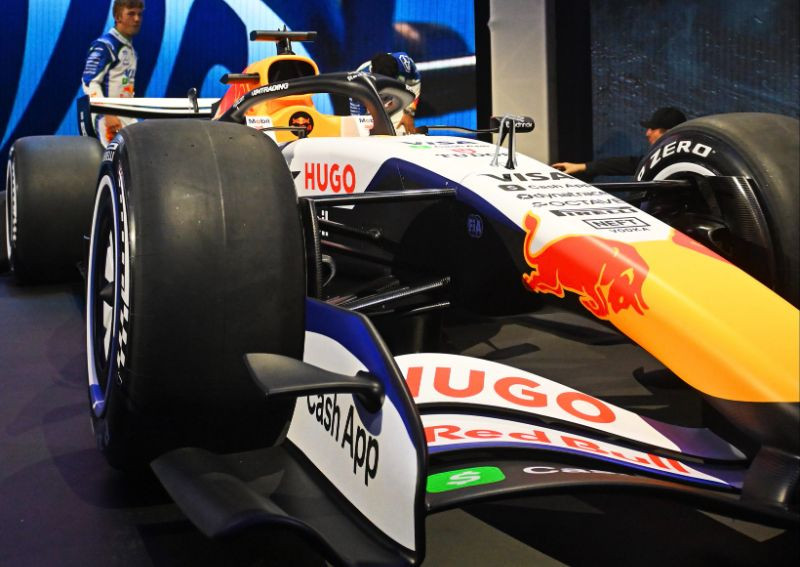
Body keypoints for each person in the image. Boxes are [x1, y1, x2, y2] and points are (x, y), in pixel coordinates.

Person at [552, 107, 687, 180]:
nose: (647, 133)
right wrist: (582, 166)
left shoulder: (683, 163)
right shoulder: (657, 160)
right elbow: (627, 164)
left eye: (652, 128)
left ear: (668, 132)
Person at [81, 0, 144, 146]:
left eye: (139, 14)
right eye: (131, 14)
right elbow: (89, 82)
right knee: (113, 159)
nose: (137, 19)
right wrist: (107, 112)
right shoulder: (105, 45)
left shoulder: (131, 50)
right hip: (107, 119)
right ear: (117, 16)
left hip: (126, 116)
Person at [349, 52, 421, 134]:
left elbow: (415, 83)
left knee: (401, 131)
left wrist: (409, 113)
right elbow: (358, 120)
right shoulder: (359, 82)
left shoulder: (404, 63)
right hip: (372, 104)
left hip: (397, 99)